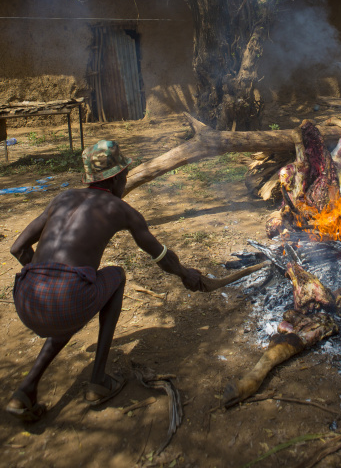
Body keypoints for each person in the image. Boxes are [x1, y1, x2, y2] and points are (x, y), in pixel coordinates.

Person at [6, 139, 208, 422]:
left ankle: (26, 390)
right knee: (115, 277)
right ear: (114, 179)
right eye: (124, 176)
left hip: (26, 299)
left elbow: (17, 248)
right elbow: (161, 256)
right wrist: (187, 275)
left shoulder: (61, 198)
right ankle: (98, 380)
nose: (125, 182)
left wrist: (46, 278)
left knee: (69, 302)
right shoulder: (120, 209)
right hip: (65, 300)